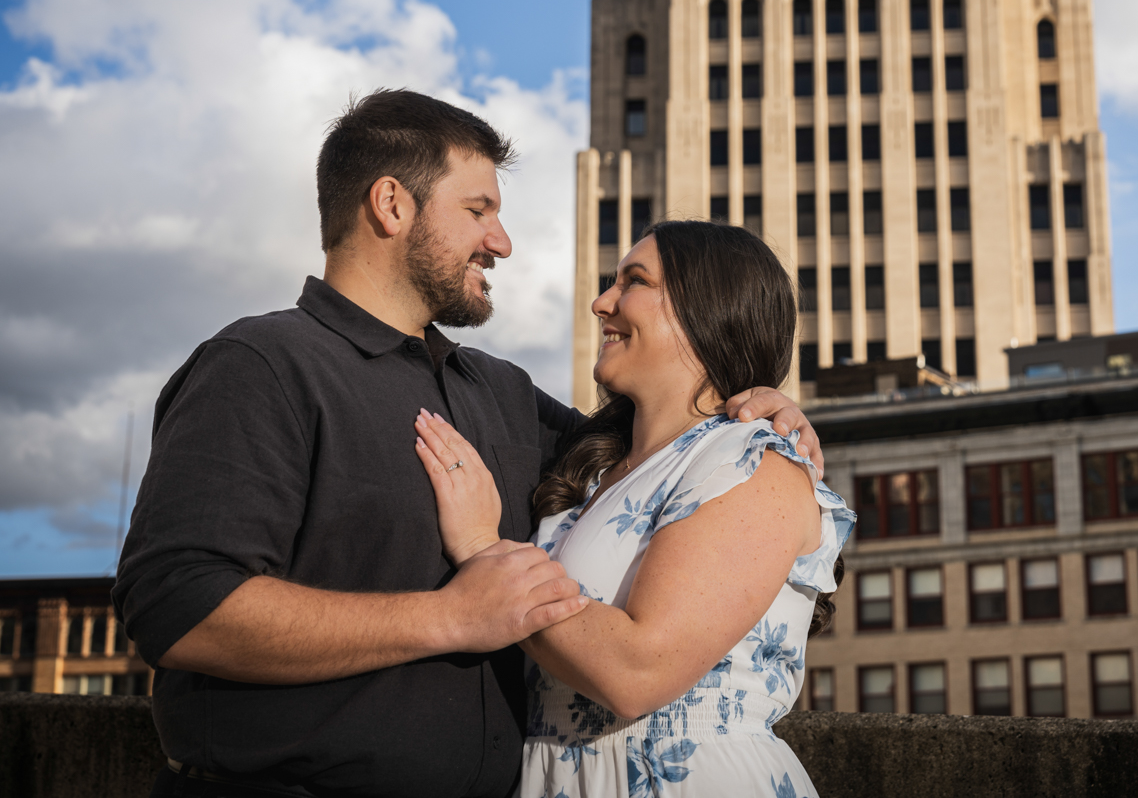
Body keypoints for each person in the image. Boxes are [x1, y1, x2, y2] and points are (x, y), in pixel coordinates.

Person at [114, 90, 822, 798]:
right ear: (391, 205)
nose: (502, 240)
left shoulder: (500, 392)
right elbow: (178, 605)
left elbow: (664, 460)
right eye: (478, 210)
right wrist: (450, 616)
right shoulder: (261, 363)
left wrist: (757, 402)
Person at [411, 220, 854, 798]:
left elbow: (638, 672)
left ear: (709, 308)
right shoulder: (592, 466)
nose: (601, 303)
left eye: (633, 281)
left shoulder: (754, 463)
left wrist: (481, 548)